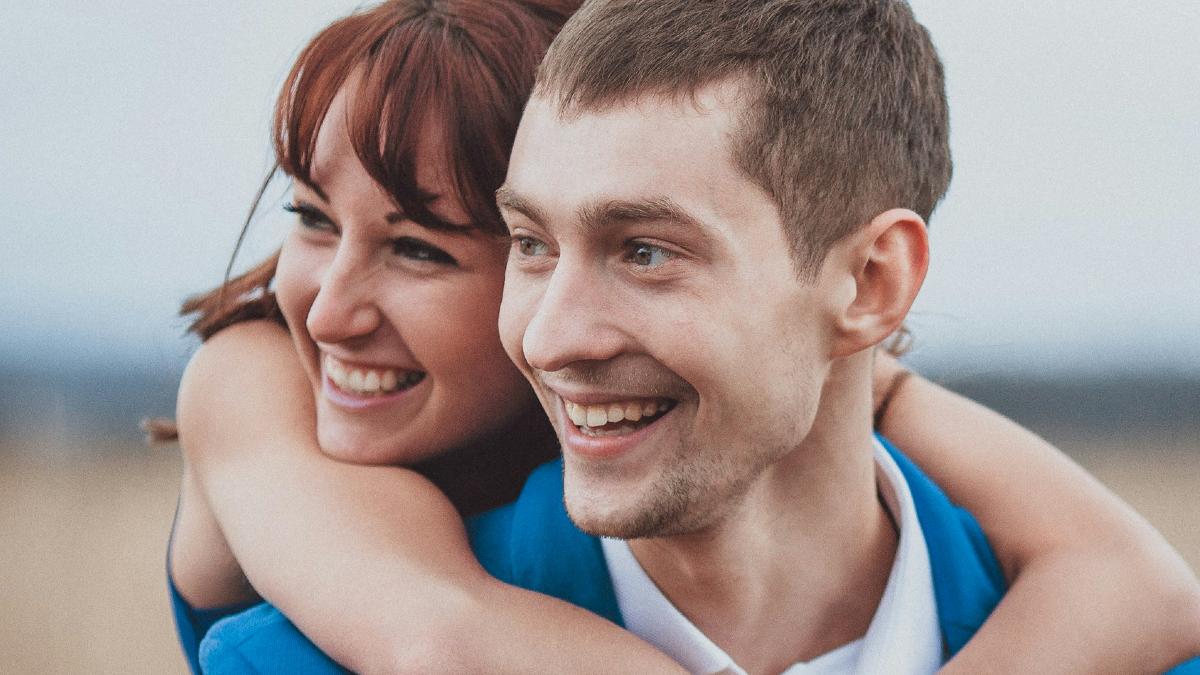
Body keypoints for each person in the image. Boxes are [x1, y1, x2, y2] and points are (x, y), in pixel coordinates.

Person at [172, 0, 1200, 673]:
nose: (328, 311)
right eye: (533, 242)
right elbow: (433, 634)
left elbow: (1137, 576)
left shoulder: (1092, 630)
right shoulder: (259, 408)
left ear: (871, 285)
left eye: (645, 250)